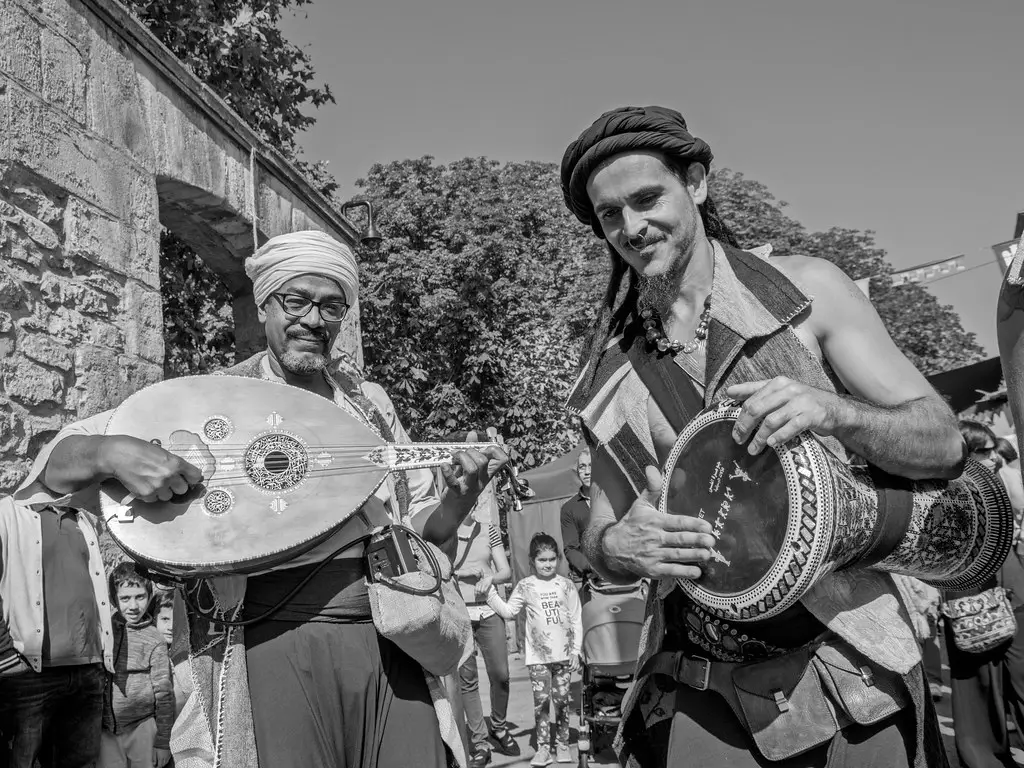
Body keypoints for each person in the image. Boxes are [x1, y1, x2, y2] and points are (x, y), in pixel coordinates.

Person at [559, 105, 965, 767]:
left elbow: (942, 441)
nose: (631, 227)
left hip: (852, 659)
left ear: (695, 183)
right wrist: (618, 544)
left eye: (646, 198)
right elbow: (602, 534)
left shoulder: (808, 292)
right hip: (703, 682)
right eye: (610, 215)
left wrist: (836, 412)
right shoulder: (609, 378)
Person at [17, 230, 507, 768]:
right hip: (263, 643)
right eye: (296, 301)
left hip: (392, 635)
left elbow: (422, 534)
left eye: (332, 307)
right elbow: (53, 473)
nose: (314, 320)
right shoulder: (215, 396)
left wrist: (459, 499)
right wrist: (110, 452)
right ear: (265, 304)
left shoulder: (369, 405)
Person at [0, 485, 114, 768]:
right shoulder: (7, 512)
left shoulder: (83, 518)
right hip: (28, 673)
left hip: (87, 670)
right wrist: (4, 654)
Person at [942, 420, 1024, 768]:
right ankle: (985, 758)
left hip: (1012, 581)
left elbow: (1020, 506)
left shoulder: (996, 481)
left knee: (1021, 665)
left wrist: (1001, 472)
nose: (992, 458)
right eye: (984, 451)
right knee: (977, 675)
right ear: (965, 452)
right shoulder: (944, 491)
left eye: (994, 451)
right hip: (969, 587)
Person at [450, 431, 518, 767]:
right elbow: (442, 569)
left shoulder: (488, 528)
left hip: (488, 607)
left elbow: (505, 571)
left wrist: (490, 577)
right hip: (460, 610)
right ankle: (479, 743)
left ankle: (500, 726)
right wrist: (462, 577)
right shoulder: (444, 528)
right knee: (467, 679)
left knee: (501, 674)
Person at [485, 533, 582, 766]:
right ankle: (543, 749)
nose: (547, 564)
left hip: (564, 657)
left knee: (561, 702)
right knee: (541, 703)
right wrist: (488, 593)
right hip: (537, 658)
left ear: (557, 559)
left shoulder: (566, 585)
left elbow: (576, 618)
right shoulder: (526, 586)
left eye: (551, 559)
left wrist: (576, 650)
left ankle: (562, 744)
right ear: (532, 561)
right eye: (542, 560)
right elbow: (509, 611)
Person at [100, 563, 174, 768]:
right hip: (106, 731)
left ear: (149, 597)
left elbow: (164, 694)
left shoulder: (154, 640)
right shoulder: (104, 632)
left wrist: (162, 742)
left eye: (140, 597)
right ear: (114, 599)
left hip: (143, 729)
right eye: (125, 598)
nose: (133, 606)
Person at [559, 449, 593, 588]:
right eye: (582, 467)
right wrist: (591, 567)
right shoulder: (569, 508)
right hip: (588, 578)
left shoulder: (614, 500)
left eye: (591, 466)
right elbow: (570, 548)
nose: (587, 471)